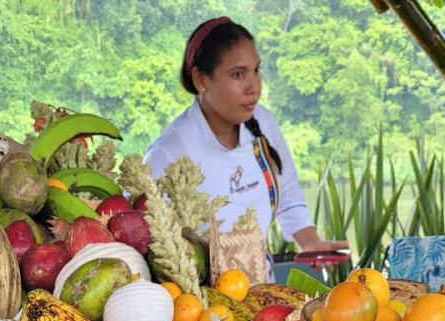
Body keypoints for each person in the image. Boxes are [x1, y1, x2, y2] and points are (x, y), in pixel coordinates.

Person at [144, 18, 345, 254]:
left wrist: (310, 242)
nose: (254, 87)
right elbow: (147, 240)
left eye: (256, 71)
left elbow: (287, 192)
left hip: (263, 278)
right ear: (201, 80)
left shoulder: (264, 122)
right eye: (238, 75)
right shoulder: (167, 154)